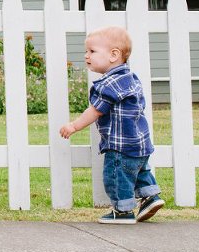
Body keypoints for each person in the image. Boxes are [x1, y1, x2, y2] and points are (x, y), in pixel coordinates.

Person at [60, 26, 164, 224]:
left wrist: (74, 126)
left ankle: (123, 211)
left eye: (92, 51)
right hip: (140, 143)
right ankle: (151, 197)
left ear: (114, 55)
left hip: (120, 145)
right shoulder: (130, 79)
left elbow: (95, 111)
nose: (86, 56)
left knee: (117, 176)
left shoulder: (109, 84)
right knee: (139, 171)